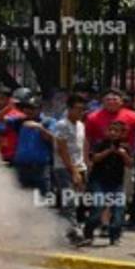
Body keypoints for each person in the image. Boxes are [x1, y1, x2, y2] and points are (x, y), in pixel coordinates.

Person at [85, 88, 135, 229]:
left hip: (124, 160)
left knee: (122, 193)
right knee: (102, 194)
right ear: (102, 101)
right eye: (108, 99)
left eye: (115, 99)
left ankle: (114, 222)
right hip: (101, 160)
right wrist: (86, 159)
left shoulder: (133, 116)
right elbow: (87, 140)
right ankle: (105, 223)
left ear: (122, 101)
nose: (111, 101)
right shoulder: (93, 117)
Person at [83, 120, 133, 245]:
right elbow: (94, 158)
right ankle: (88, 234)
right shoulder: (101, 144)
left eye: (116, 131)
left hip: (116, 183)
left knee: (118, 211)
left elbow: (129, 164)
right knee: (97, 209)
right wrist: (108, 151)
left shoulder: (125, 146)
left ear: (122, 133)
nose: (112, 133)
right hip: (99, 181)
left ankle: (114, 236)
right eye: (110, 130)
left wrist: (123, 154)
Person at [52, 94, 89, 242]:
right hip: (64, 168)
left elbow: (82, 146)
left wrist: (84, 165)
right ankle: (73, 233)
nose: (81, 112)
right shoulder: (62, 125)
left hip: (80, 166)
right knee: (69, 201)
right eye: (78, 109)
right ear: (69, 108)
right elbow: (62, 150)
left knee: (78, 200)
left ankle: (64, 230)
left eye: (83, 109)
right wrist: (73, 171)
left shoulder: (80, 125)